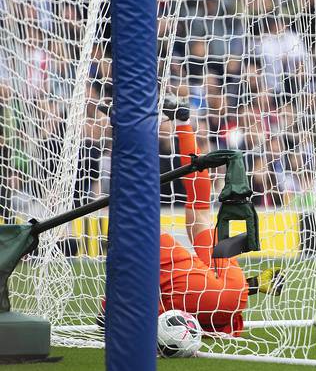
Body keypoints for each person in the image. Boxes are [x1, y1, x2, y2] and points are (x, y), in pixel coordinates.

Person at [100, 96, 283, 337]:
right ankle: (183, 122)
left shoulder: (143, 251)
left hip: (228, 301)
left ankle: (131, 126)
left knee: (180, 218)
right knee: (199, 216)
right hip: (231, 295)